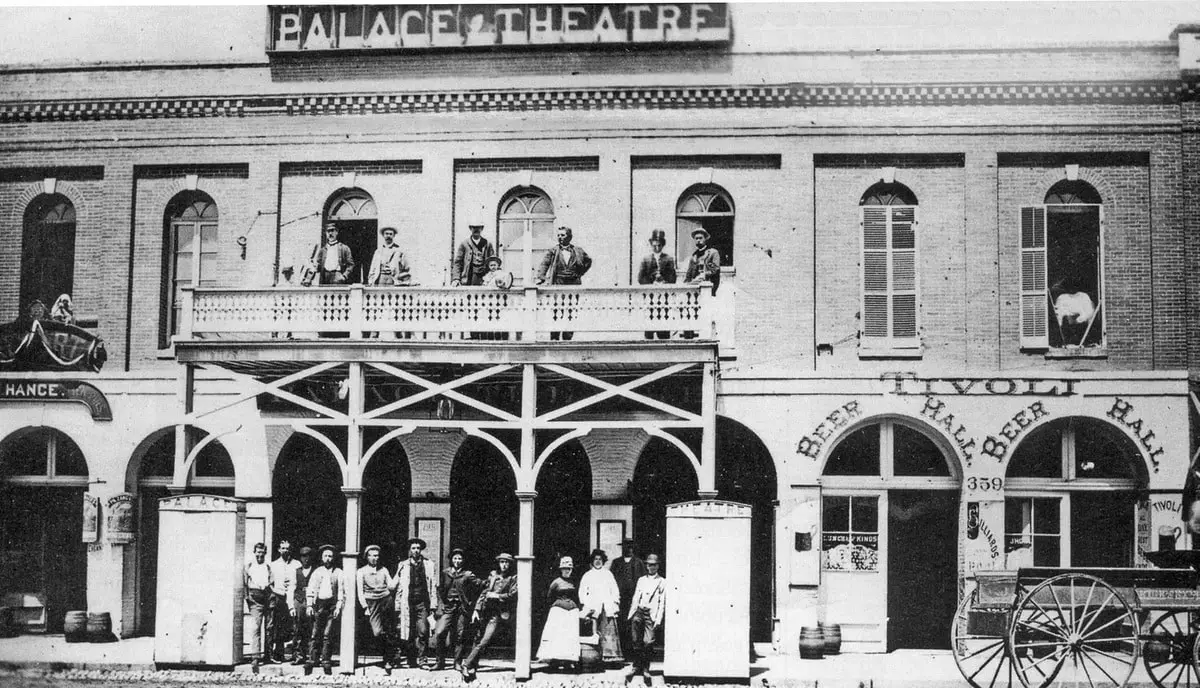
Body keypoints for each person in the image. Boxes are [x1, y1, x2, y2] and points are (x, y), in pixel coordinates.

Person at [461, 553, 518, 683]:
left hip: (497, 613)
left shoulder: (513, 578)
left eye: (507, 562)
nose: (504, 564)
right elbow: (484, 593)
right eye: (502, 562)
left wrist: (497, 596)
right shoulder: (493, 575)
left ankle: (466, 664)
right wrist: (476, 610)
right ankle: (472, 666)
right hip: (485, 612)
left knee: (485, 640)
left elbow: (513, 594)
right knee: (478, 638)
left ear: (510, 564)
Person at [536, 226, 592, 340]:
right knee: (557, 310)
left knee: (571, 310)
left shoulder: (578, 251)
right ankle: (555, 338)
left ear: (569, 237)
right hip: (558, 282)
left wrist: (579, 273)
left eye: (563, 235)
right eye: (558, 235)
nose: (560, 237)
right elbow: (544, 264)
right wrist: (541, 277)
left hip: (573, 283)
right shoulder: (553, 251)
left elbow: (588, 261)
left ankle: (567, 338)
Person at [393, 537, 440, 669]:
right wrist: (397, 604)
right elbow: (399, 587)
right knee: (408, 632)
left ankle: (423, 660)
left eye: (418, 548)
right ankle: (411, 659)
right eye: (413, 548)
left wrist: (433, 605)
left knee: (423, 631)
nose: (416, 550)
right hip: (407, 603)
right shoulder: (403, 565)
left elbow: (433, 586)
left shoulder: (429, 564)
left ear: (421, 550)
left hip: (423, 603)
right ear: (410, 550)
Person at [432, 548, 480, 671]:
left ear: (463, 560)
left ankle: (457, 662)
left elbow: (479, 585)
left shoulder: (468, 574)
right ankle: (440, 662)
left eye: (460, 558)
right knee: (440, 632)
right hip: (448, 608)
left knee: (460, 635)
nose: (457, 561)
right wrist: (441, 604)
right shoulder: (445, 573)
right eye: (455, 558)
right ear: (451, 560)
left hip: (462, 608)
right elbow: (440, 590)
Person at [305, 544, 346, 676]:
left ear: (333, 558)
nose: (328, 558)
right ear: (322, 558)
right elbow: (311, 589)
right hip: (319, 605)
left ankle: (326, 660)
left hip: (331, 606)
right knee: (315, 633)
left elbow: (341, 591)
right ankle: (312, 659)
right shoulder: (317, 572)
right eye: (325, 556)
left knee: (327, 635)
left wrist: (339, 606)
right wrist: (310, 605)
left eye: (330, 556)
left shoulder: (339, 572)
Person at [357, 544, 398, 673]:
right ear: (367, 557)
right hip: (371, 602)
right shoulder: (361, 571)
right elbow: (360, 592)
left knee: (389, 630)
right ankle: (390, 652)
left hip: (386, 600)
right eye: (372, 555)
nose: (375, 558)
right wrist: (365, 607)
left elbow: (391, 586)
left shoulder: (384, 570)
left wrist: (398, 573)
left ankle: (388, 659)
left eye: (377, 555)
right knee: (377, 632)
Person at [625, 554, 665, 686]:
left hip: (651, 614)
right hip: (639, 612)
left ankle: (646, 668)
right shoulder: (642, 580)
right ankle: (636, 667)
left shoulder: (662, 581)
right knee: (636, 640)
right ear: (646, 566)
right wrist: (631, 614)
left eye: (654, 565)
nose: (651, 567)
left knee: (648, 641)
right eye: (649, 564)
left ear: (658, 566)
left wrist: (658, 619)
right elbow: (636, 597)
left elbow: (662, 603)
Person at [537, 555, 582, 671]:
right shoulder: (556, 582)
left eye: (569, 569)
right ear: (561, 569)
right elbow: (549, 597)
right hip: (558, 612)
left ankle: (568, 660)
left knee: (569, 637)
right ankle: (555, 660)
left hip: (571, 612)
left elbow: (578, 596)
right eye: (565, 569)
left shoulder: (574, 582)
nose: (567, 571)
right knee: (557, 636)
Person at [579, 548, 623, 665]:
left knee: (608, 632)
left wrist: (614, 603)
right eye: (595, 559)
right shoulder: (587, 575)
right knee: (594, 632)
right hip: (593, 608)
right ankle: (595, 657)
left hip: (606, 607)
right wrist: (586, 605)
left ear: (603, 561)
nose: (597, 561)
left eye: (600, 559)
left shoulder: (608, 574)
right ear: (592, 561)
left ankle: (609, 658)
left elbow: (615, 590)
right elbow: (582, 592)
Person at [608, 539, 646, 656]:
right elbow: (611, 580)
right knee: (621, 625)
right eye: (625, 546)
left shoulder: (638, 563)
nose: (628, 549)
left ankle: (634, 653)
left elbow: (644, 581)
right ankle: (622, 652)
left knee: (633, 625)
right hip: (620, 600)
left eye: (630, 547)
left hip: (634, 600)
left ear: (633, 548)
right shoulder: (616, 563)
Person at [636, 230, 677, 339]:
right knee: (649, 323)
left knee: (663, 322)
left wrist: (664, 280)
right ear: (651, 244)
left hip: (664, 295)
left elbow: (673, 277)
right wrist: (651, 281)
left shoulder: (668, 259)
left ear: (663, 245)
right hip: (650, 295)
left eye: (659, 245)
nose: (657, 248)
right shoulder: (646, 259)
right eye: (655, 245)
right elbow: (640, 278)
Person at [268, 540, 301, 663]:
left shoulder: (296, 564)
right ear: (279, 550)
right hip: (279, 597)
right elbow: (269, 583)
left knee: (294, 625)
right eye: (283, 548)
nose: (285, 551)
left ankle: (295, 654)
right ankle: (279, 653)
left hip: (293, 597)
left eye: (287, 548)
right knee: (279, 626)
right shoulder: (273, 565)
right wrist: (277, 591)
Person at [244, 542, 274, 668]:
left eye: (262, 552)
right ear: (255, 552)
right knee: (256, 627)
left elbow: (272, 582)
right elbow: (245, 583)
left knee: (269, 628)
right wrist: (248, 598)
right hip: (255, 599)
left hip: (266, 597)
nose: (260, 554)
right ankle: (255, 657)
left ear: (265, 553)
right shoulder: (250, 566)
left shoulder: (268, 566)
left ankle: (268, 655)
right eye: (258, 552)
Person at [291, 546, 316, 666]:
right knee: (298, 628)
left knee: (312, 629)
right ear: (300, 558)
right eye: (303, 556)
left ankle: (312, 656)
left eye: (308, 556)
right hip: (299, 600)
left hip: (312, 601)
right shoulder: (296, 571)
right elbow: (291, 588)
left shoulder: (316, 571)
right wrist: (291, 606)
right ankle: (299, 655)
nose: (306, 559)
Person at [452, 222, 497, 287]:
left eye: (478, 227)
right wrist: (456, 279)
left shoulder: (487, 244)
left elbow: (493, 261)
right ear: (470, 228)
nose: (476, 230)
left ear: (482, 228)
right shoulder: (464, 244)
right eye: (474, 227)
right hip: (468, 279)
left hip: (484, 280)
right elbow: (458, 263)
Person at [683, 227, 721, 292]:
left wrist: (704, 275)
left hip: (708, 287)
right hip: (694, 288)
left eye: (700, 238)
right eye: (696, 238)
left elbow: (716, 270)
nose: (698, 240)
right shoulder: (694, 256)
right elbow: (688, 275)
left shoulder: (713, 253)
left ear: (705, 239)